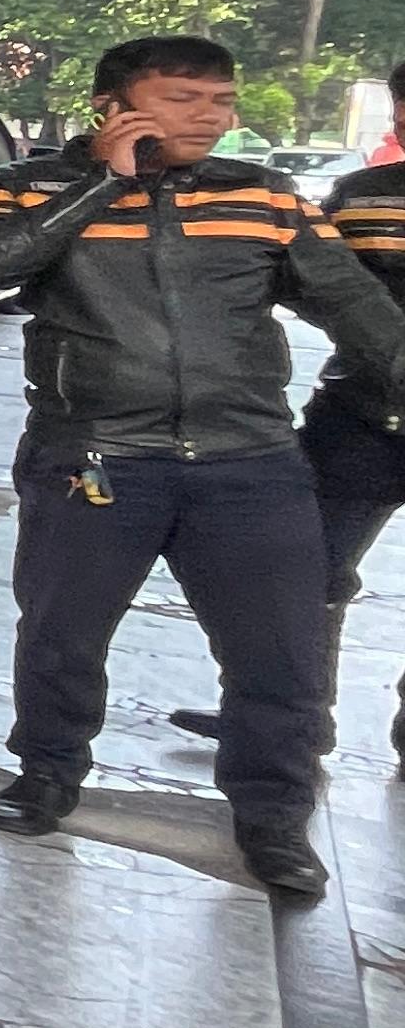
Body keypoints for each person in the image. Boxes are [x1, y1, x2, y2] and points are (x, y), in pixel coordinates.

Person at [0, 37, 405, 896]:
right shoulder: (20, 187)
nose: (211, 117)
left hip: (249, 461)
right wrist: (104, 181)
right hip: (94, 457)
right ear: (112, 107)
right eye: (183, 98)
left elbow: (355, 306)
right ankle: (49, 771)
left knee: (280, 653)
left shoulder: (262, 196)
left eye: (221, 100)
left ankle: (273, 817)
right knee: (61, 636)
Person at [178, 55, 405, 758]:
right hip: (360, 418)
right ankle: (294, 718)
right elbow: (307, 281)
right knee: (302, 572)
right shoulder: (362, 196)